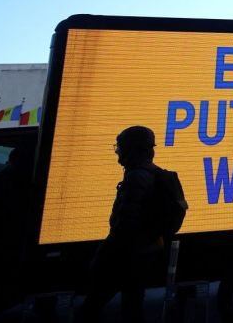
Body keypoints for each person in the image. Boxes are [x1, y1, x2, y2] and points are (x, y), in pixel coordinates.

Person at [80, 126, 165, 323]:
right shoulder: (152, 174)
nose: (117, 151)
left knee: (91, 309)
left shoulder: (136, 178)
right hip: (144, 255)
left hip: (125, 258)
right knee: (132, 307)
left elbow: (125, 226)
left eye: (120, 147)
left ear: (132, 150)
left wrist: (102, 257)